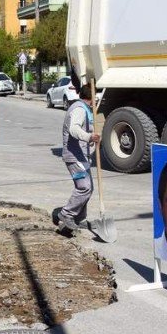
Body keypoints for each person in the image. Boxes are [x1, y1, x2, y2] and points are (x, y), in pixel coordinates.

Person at [56, 84, 100, 232]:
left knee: (88, 188)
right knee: (84, 188)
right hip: (74, 156)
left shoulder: (83, 108)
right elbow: (74, 129)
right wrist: (89, 137)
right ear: (92, 97)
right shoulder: (79, 109)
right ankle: (66, 214)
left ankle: (79, 218)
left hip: (82, 156)